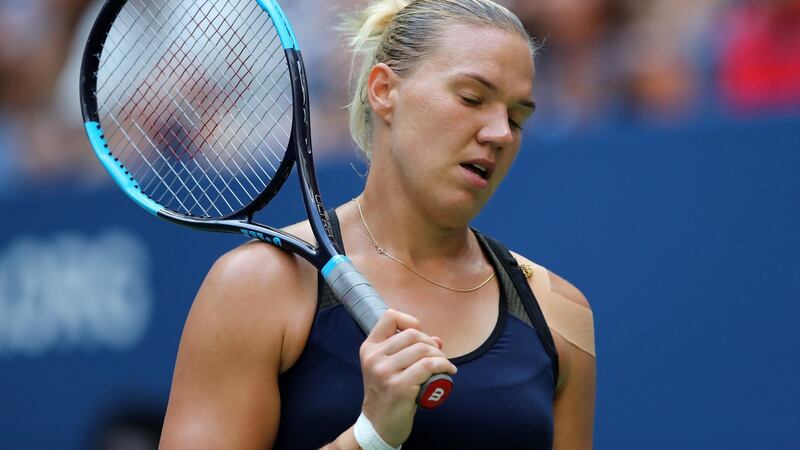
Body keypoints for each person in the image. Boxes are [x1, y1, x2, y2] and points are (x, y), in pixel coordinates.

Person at [159, 0, 596, 448]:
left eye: (517, 117)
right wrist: (370, 437)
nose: (500, 133)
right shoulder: (256, 284)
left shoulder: (559, 310)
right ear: (384, 90)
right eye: (471, 98)